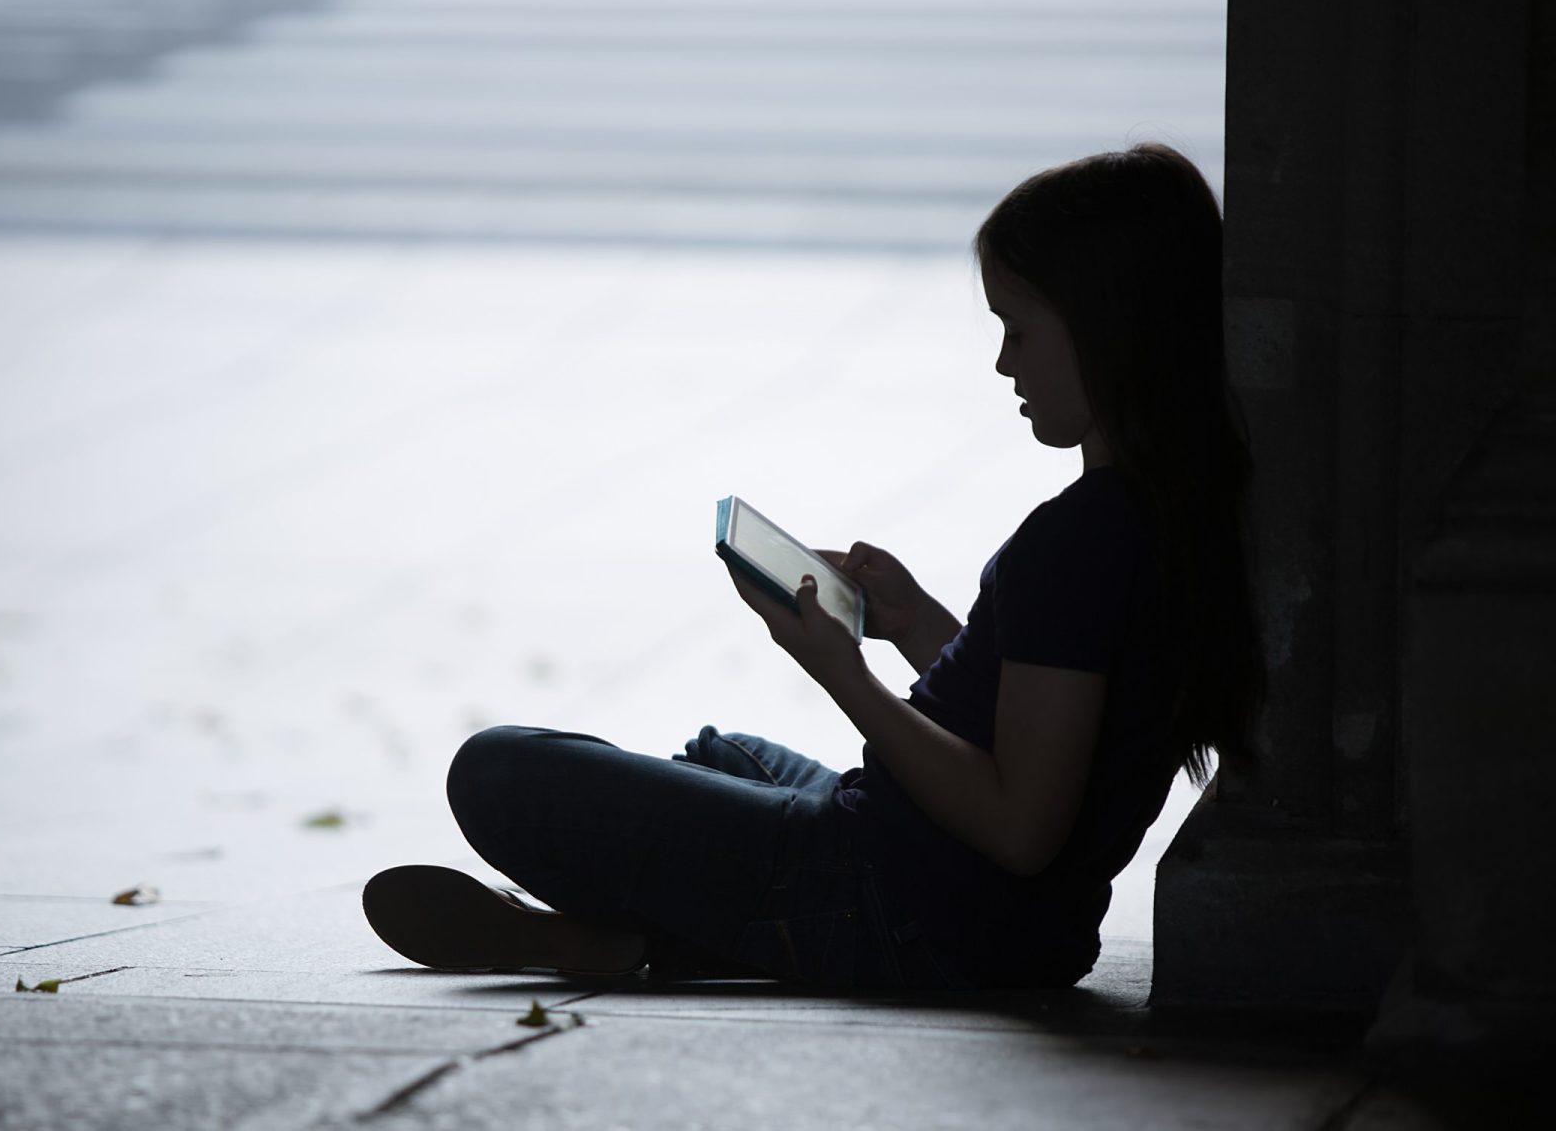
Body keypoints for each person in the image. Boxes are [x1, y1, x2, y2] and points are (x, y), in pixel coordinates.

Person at [362, 142, 1266, 990]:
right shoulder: (1159, 521)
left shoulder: (1080, 540)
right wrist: (918, 626)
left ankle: (615, 938)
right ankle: (656, 927)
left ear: (1107, 329)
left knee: (498, 771)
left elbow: (1020, 827)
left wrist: (845, 673)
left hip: (897, 903)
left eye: (1019, 330)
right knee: (729, 754)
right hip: (1003, 921)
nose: (1002, 362)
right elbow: (1046, 725)